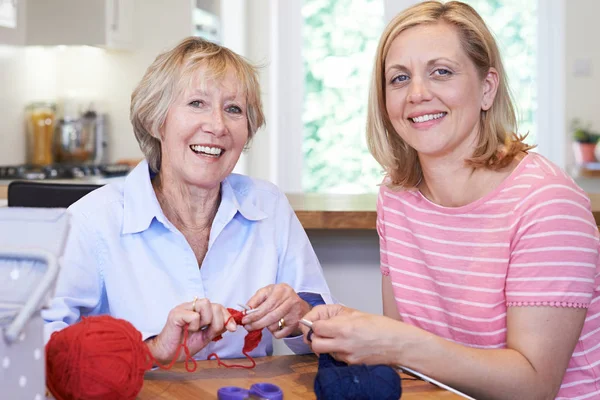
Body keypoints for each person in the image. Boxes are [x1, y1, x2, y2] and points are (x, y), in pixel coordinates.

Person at [300, 1, 600, 399]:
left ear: (487, 88)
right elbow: (415, 358)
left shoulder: (547, 202)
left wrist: (391, 340)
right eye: (399, 78)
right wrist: (350, 325)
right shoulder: (397, 196)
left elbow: (534, 386)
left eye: (441, 72)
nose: (417, 94)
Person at [43, 37, 333, 364]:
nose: (217, 125)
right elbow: (41, 348)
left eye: (233, 109)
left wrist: (300, 316)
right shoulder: (91, 219)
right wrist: (150, 351)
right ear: (156, 120)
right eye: (197, 103)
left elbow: (326, 330)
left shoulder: (269, 205)